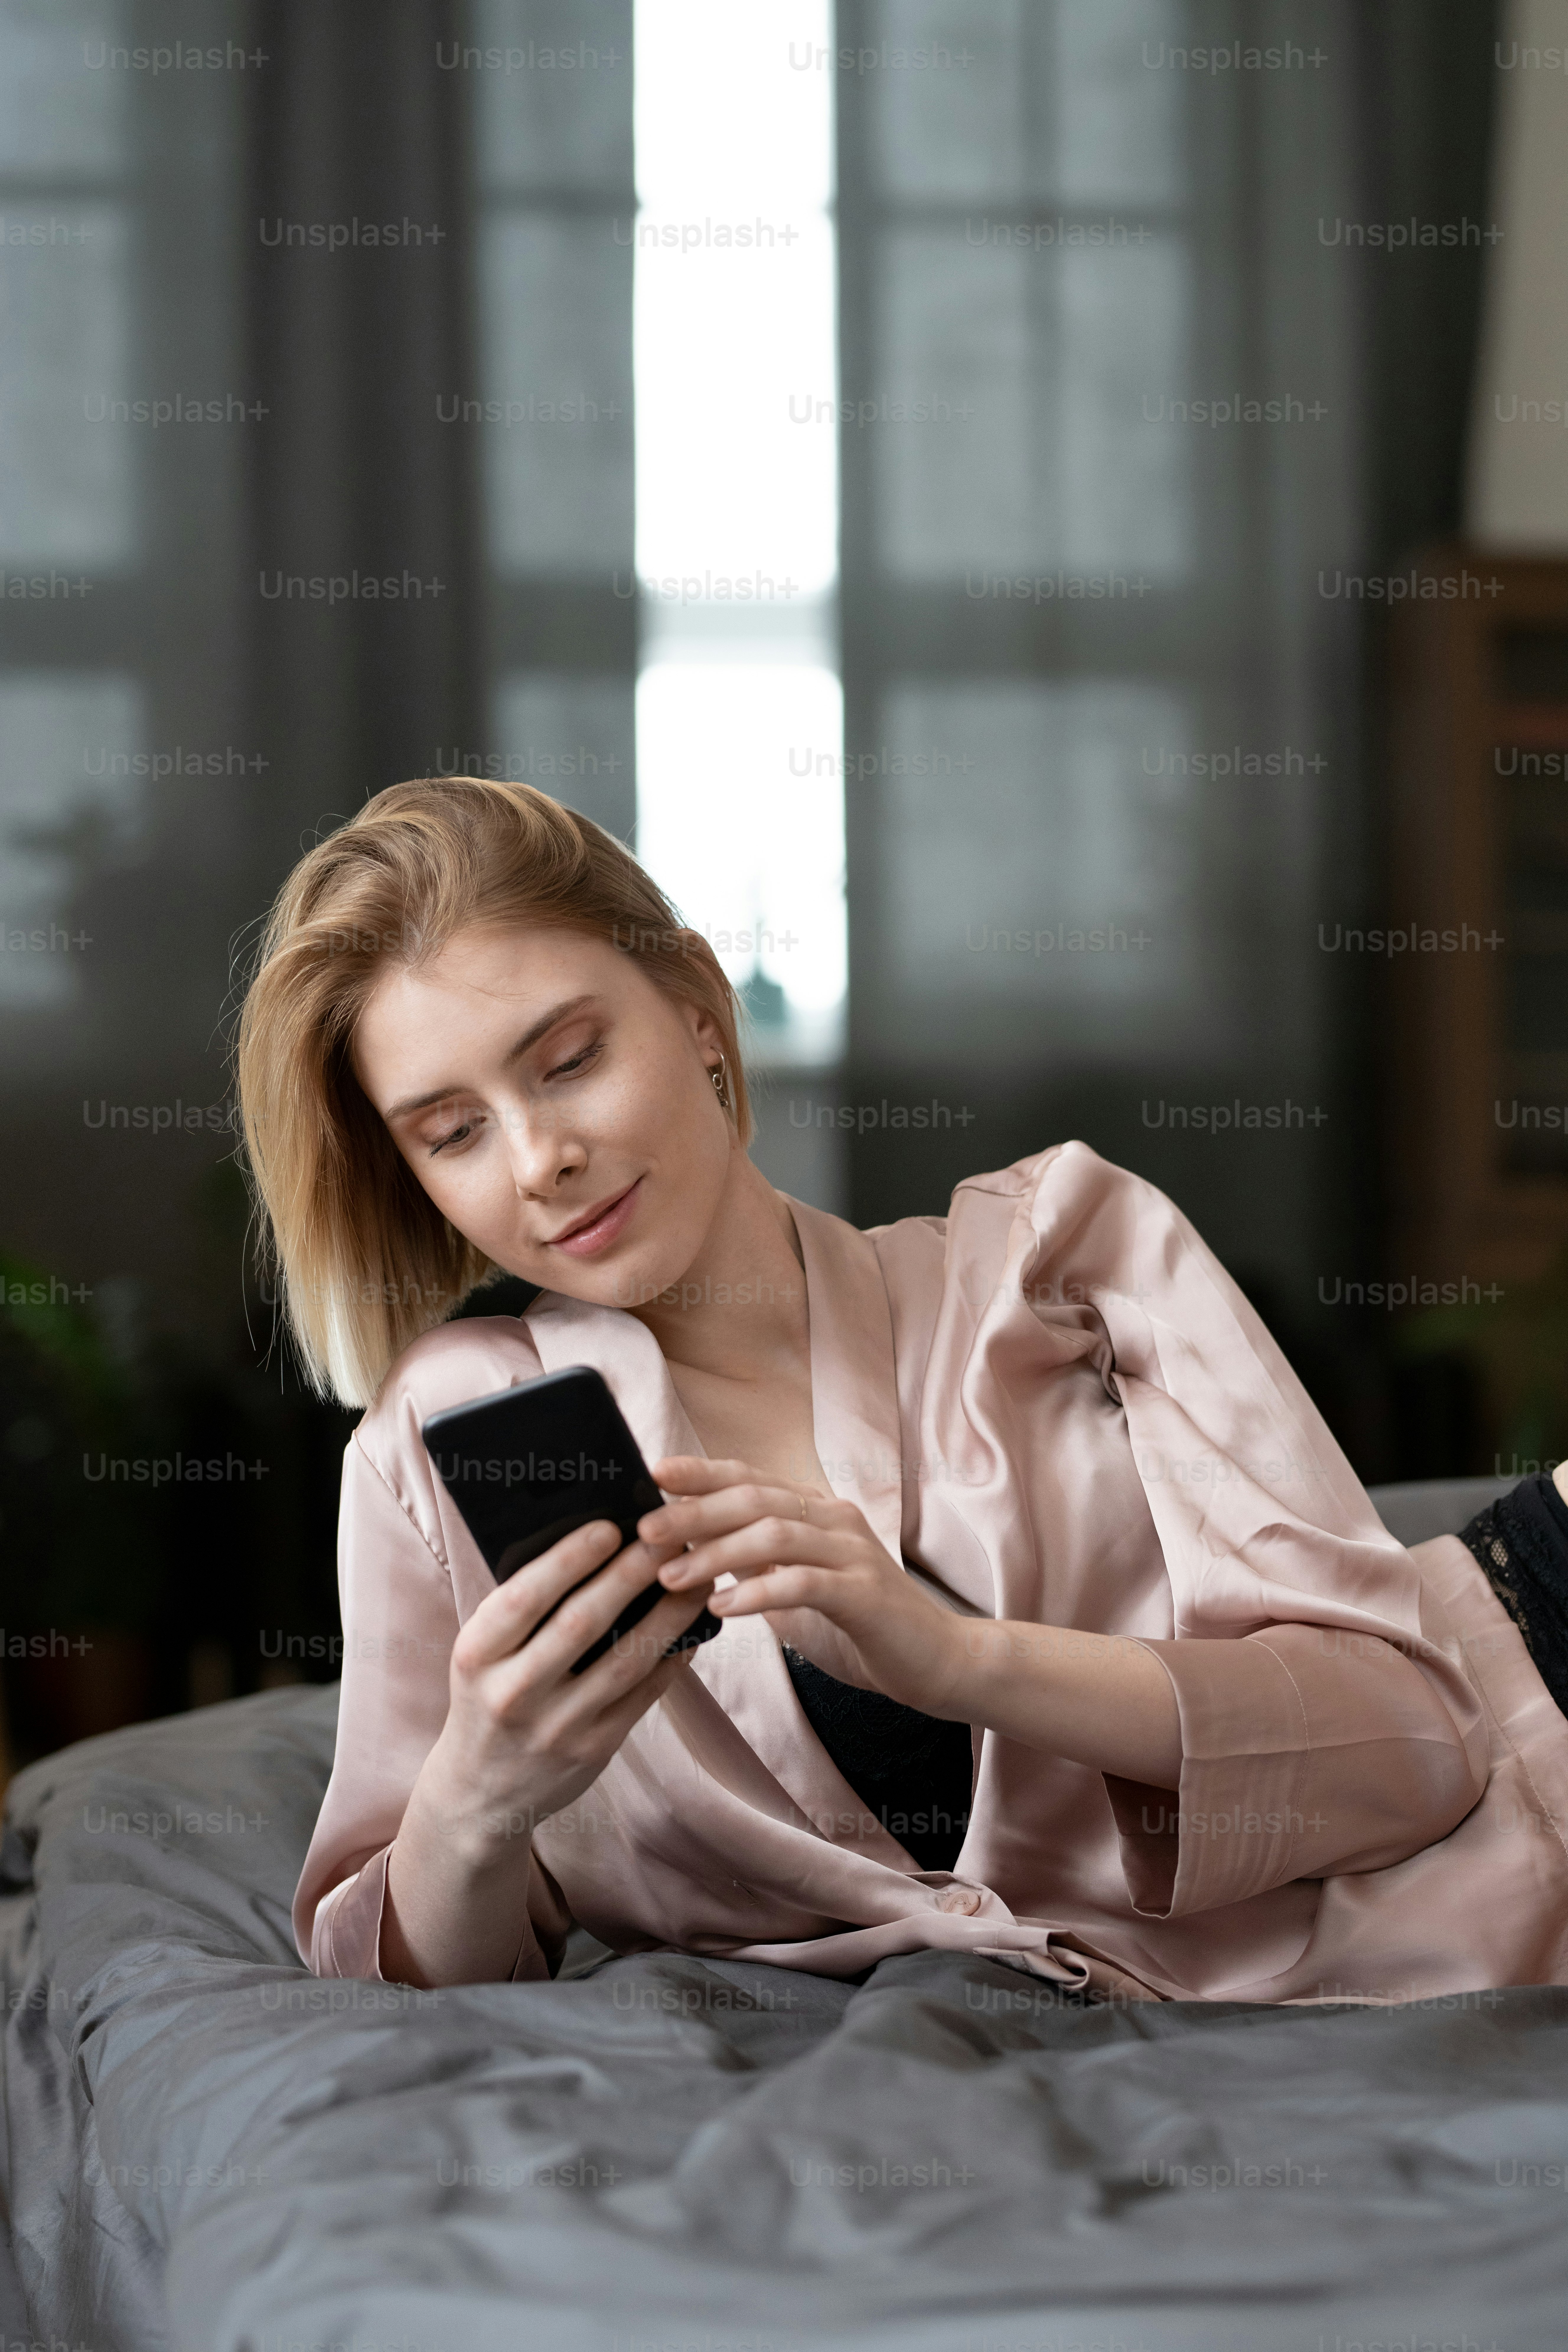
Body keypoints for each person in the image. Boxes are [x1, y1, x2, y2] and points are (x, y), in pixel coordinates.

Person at [237, 778, 1568, 2003]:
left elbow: (1414, 1744)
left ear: (697, 1011)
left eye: (571, 1059)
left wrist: (955, 1659)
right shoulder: (438, 1448)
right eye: (453, 1132)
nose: (540, 1159)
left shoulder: (1067, 1251)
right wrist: (478, 1797)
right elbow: (393, 1980)